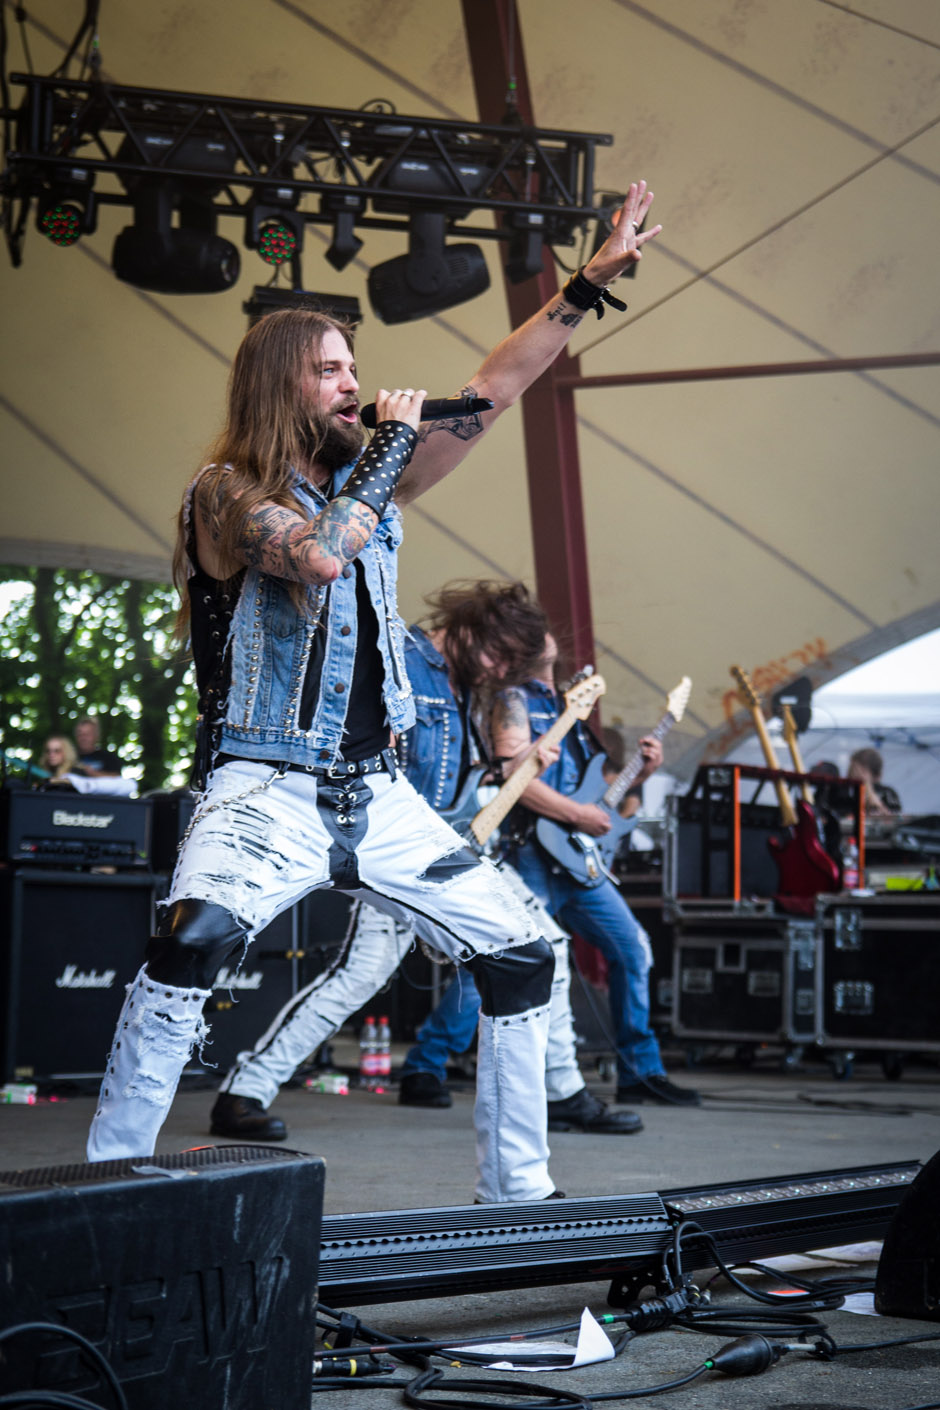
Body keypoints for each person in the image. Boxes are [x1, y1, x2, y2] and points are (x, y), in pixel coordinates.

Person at [85, 180, 662, 1203]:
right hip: (265, 784)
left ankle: (519, 1198)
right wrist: (389, 445)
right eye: (330, 371)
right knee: (194, 947)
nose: (356, 384)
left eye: (357, 367)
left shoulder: (375, 478)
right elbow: (313, 557)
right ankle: (110, 1187)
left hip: (376, 789)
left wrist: (581, 286)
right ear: (280, 386)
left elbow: (494, 385)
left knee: (526, 950)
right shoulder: (227, 493)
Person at [208, 581, 641, 1141]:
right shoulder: (401, 660)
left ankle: (562, 1092)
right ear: (467, 627)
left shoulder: (466, 683)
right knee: (357, 977)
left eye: (511, 664)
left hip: (445, 845)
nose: (499, 670)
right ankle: (245, 1091)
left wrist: (506, 769)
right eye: (498, 655)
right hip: (392, 847)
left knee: (544, 944)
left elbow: (454, 784)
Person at [491, 634, 701, 1108]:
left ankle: (640, 1074)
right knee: (508, 954)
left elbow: (604, 802)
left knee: (632, 949)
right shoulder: (513, 700)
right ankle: (428, 1060)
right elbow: (517, 781)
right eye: (532, 630)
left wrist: (641, 776)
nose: (544, 634)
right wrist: (578, 816)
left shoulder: (575, 707)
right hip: (532, 852)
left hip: (578, 860)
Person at [848, 747, 902, 818]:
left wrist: (867, 788)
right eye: (852, 769)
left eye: (862, 771)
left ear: (876, 775)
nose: (853, 773)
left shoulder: (887, 793)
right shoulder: (846, 791)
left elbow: (894, 818)